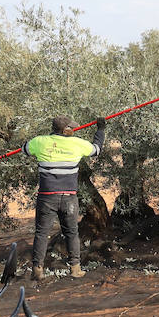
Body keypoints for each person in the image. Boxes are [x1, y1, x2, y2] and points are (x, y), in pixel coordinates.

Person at [23, 114, 105, 279]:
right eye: (71, 127)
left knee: (41, 233)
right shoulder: (77, 144)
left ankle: (37, 270)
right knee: (71, 232)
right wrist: (101, 130)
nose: (73, 129)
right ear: (65, 130)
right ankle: (75, 269)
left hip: (46, 197)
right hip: (68, 197)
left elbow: (26, 149)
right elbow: (97, 150)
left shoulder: (40, 141)